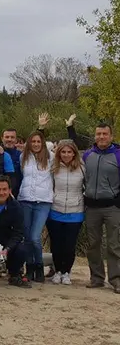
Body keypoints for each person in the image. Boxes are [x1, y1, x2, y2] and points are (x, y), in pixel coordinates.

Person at [82, 123, 120, 291]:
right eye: (98, 134)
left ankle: (116, 279)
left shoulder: (118, 155)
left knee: (114, 244)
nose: (101, 137)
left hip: (113, 206)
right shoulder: (87, 155)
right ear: (95, 136)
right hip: (92, 207)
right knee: (93, 244)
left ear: (111, 136)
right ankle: (96, 277)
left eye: (105, 134)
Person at [18, 131, 54, 283]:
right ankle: (29, 268)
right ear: (29, 143)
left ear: (43, 143)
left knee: (35, 237)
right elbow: (22, 175)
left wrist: (41, 128)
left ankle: (39, 267)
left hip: (43, 201)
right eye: (33, 141)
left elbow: (51, 146)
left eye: (39, 141)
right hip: (25, 200)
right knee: (27, 238)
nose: (36, 144)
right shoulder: (23, 157)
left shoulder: (50, 157)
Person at [48, 139, 84, 286]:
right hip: (56, 210)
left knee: (69, 245)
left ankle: (66, 272)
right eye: (63, 152)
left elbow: (87, 185)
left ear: (74, 153)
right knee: (56, 244)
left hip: (75, 211)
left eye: (69, 152)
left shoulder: (82, 167)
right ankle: (57, 271)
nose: (66, 154)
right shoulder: (54, 167)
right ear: (59, 153)